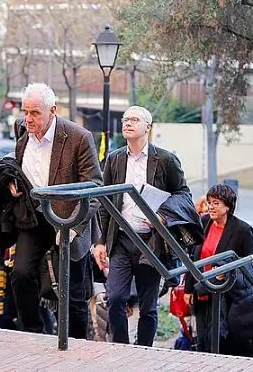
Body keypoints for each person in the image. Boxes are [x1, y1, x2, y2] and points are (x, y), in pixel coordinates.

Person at [94, 105, 197, 347]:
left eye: (134, 119)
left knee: (148, 305)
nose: (127, 123)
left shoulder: (166, 160)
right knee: (116, 297)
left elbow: (183, 194)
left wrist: (163, 215)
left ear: (147, 127)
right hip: (120, 238)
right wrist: (100, 242)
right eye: (125, 119)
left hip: (151, 241)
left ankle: (145, 351)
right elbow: (104, 201)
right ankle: (119, 348)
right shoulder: (114, 158)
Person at [9, 82, 102, 337]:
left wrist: (73, 227)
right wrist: (13, 183)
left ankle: (77, 345)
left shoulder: (78, 137)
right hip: (35, 217)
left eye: (35, 113)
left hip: (70, 219)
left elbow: (94, 187)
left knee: (71, 293)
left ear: (53, 110)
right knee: (21, 275)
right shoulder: (22, 130)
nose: (28, 118)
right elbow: (21, 167)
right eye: (25, 111)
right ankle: (33, 333)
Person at [184, 184, 253, 356]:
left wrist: (228, 273)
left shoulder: (242, 230)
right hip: (202, 290)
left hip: (226, 294)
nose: (211, 207)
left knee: (220, 339)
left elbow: (252, 263)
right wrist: (188, 288)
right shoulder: (203, 222)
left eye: (216, 203)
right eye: (209, 202)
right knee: (203, 339)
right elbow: (193, 257)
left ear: (228, 206)